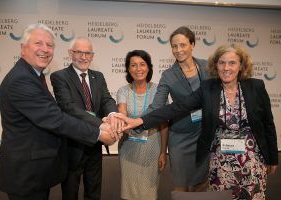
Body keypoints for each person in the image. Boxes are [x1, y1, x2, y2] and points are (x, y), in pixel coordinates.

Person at [118, 44, 278, 200]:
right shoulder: (208, 88)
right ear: (216, 66)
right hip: (221, 160)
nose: (226, 68)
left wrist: (272, 158)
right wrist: (139, 121)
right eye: (221, 62)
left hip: (252, 159)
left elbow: (268, 124)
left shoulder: (256, 86)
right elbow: (176, 108)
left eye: (232, 62)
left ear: (241, 65)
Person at [0, 24, 118, 200]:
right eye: (38, 43)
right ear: (23, 48)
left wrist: (112, 116)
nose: (45, 49)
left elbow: (105, 100)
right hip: (26, 174)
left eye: (50, 45)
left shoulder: (34, 75)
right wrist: (98, 132)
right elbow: (57, 117)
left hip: (34, 170)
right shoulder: (22, 80)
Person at [50, 36, 122, 200]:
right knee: (70, 193)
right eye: (79, 52)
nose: (83, 57)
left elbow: (106, 99)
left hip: (95, 144)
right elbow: (68, 108)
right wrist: (101, 125)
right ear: (70, 53)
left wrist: (112, 114)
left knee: (94, 192)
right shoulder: (59, 77)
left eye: (87, 53)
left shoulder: (98, 76)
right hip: (73, 145)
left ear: (92, 55)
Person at [146, 26, 209, 192]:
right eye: (174, 46)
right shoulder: (168, 74)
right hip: (180, 136)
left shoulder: (208, 66)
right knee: (181, 184)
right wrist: (137, 120)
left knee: (202, 183)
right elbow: (157, 105)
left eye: (182, 45)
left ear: (192, 44)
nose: (178, 50)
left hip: (204, 135)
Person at [116, 50, 168, 200]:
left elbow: (164, 124)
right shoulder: (123, 91)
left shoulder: (159, 91)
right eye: (133, 65)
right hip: (128, 148)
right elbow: (122, 113)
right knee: (128, 193)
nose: (138, 69)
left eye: (142, 64)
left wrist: (163, 152)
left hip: (153, 148)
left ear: (149, 67)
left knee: (149, 194)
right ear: (128, 69)